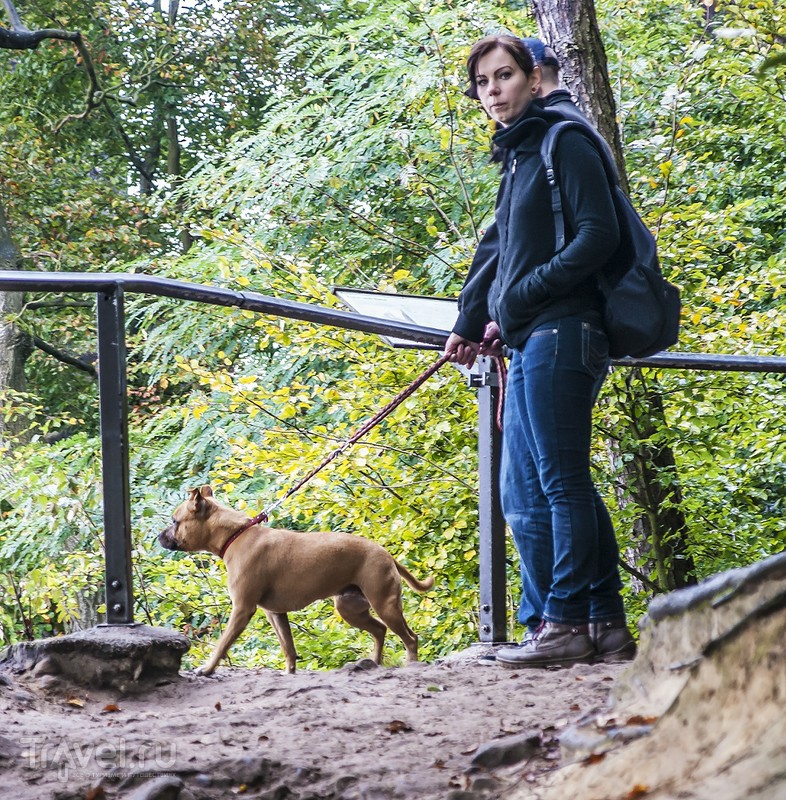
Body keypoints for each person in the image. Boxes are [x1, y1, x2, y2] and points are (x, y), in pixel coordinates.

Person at [445, 34, 636, 668]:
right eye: (483, 82)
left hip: (565, 330)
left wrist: (521, 297)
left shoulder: (564, 139)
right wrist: (483, 318)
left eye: (504, 76)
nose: (494, 90)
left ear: (533, 78)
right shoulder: (522, 153)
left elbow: (598, 238)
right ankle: (604, 624)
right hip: (531, 335)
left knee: (560, 485)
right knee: (544, 486)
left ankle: (565, 623)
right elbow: (502, 251)